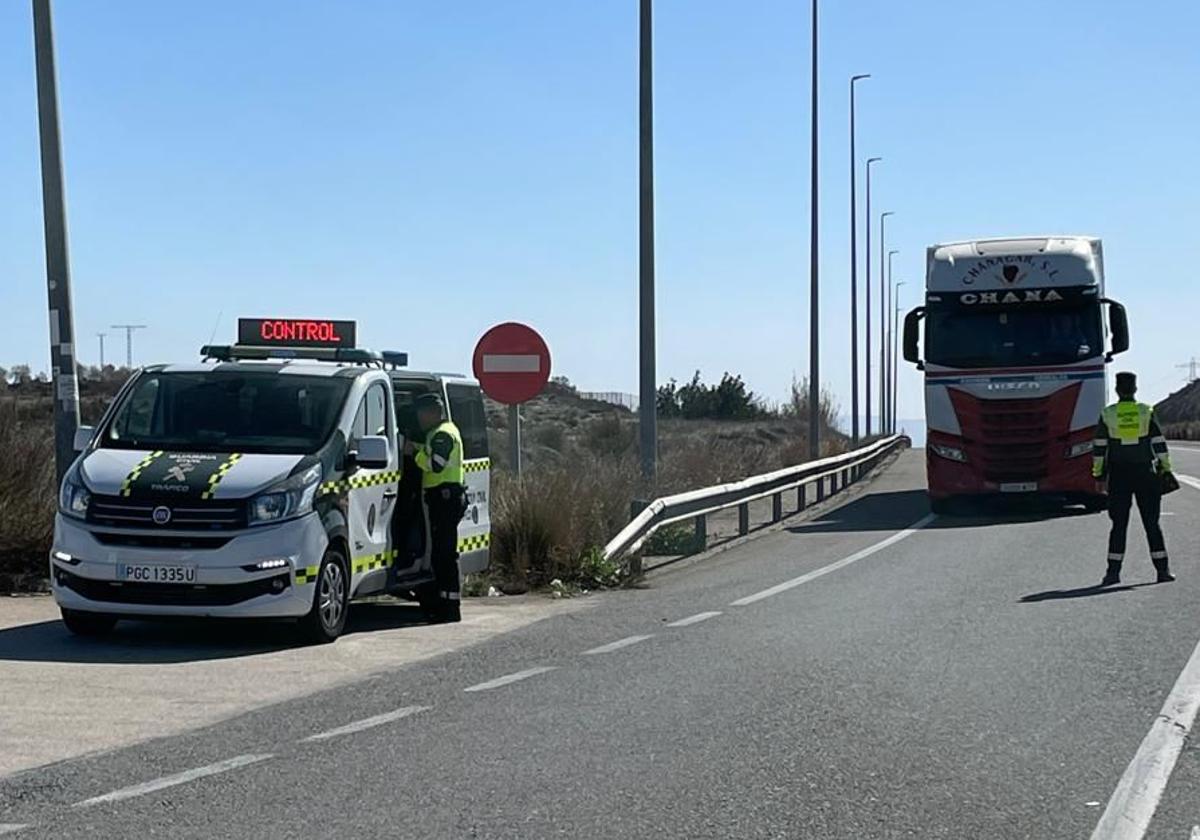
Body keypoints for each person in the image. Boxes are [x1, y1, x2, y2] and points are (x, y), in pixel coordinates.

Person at [1092, 371, 1175, 586]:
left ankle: (1112, 573)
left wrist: (1099, 474)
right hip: (1145, 474)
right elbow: (1159, 443)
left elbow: (1099, 448)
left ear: (1118, 390)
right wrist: (1165, 469)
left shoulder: (1108, 413)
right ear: (1135, 389)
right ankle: (1162, 570)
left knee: (1118, 525)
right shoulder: (1145, 411)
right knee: (1152, 523)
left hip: (1119, 475)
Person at [404, 393, 466, 622]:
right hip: (444, 499)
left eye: (421, 414)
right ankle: (445, 604)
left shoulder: (442, 435)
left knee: (444, 555)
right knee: (441, 553)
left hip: (445, 500)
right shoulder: (441, 433)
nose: (419, 419)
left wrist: (414, 454)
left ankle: (449, 608)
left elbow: (435, 465)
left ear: (432, 413)